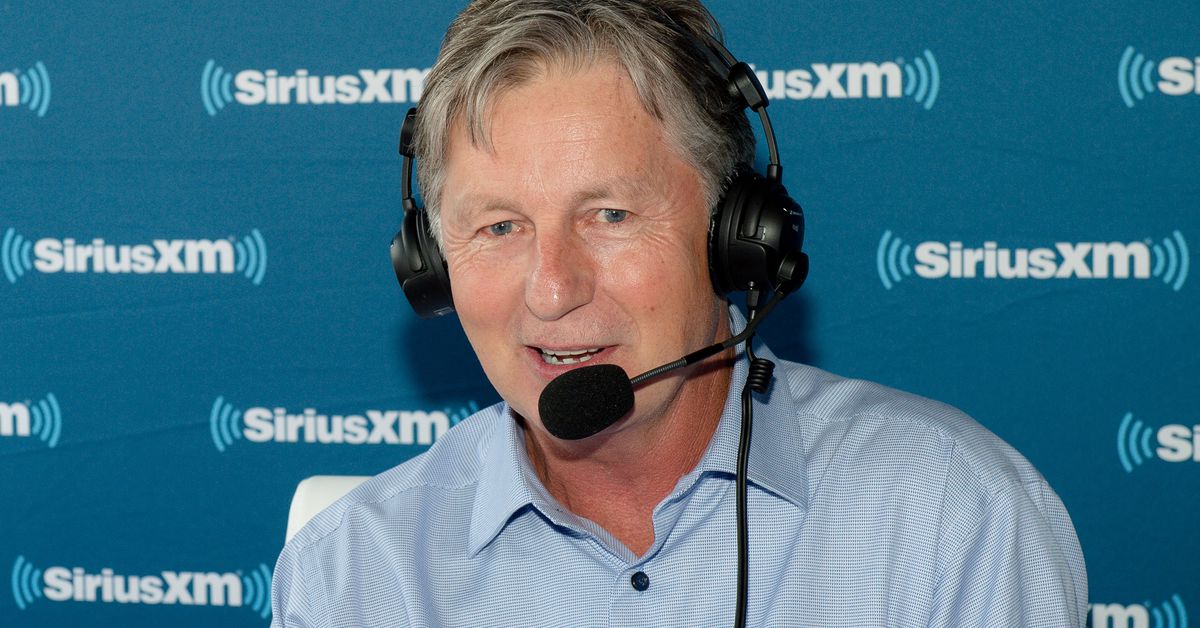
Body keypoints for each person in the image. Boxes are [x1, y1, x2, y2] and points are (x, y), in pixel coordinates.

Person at [271, 1, 1087, 625]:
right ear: (431, 261)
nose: (552, 290)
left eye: (610, 216)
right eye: (499, 228)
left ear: (737, 236)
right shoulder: (352, 576)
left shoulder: (951, 517)